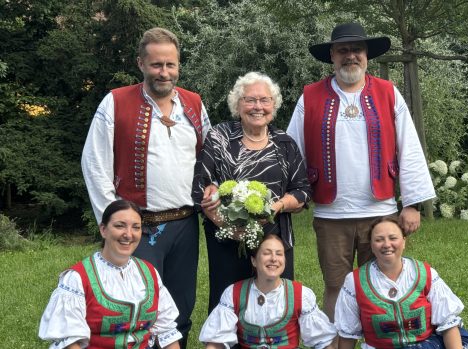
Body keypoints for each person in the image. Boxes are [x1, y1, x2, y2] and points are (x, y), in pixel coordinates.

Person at [286, 22, 436, 320]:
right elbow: (292, 150)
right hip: (331, 215)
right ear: (332, 55)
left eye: (357, 50)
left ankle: (379, 340)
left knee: (380, 284)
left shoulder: (388, 93)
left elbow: (409, 147)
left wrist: (412, 203)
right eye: (343, 50)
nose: (350, 56)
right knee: (335, 287)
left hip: (380, 211)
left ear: (367, 55)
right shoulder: (310, 97)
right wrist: (294, 194)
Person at [81, 27, 210, 347]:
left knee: (181, 306)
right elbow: (94, 164)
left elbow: (209, 157)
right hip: (140, 226)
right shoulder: (115, 102)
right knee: (136, 305)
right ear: (140, 63)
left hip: (184, 223)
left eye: (170, 64)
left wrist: (213, 190)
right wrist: (115, 222)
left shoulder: (193, 103)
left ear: (179, 65)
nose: (164, 72)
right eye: (156, 64)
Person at [192, 71, 311, 313]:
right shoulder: (220, 138)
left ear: (273, 105)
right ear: (238, 104)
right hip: (227, 241)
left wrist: (277, 206)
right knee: (228, 305)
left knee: (275, 307)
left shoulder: (284, 143)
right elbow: (200, 185)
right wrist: (223, 222)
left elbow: (302, 190)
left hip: (275, 241)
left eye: (265, 100)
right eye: (250, 100)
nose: (258, 107)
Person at [39, 200, 182, 349]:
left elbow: (167, 331)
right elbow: (69, 342)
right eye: (120, 226)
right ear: (103, 230)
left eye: (136, 227)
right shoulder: (77, 278)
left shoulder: (149, 273)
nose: (128, 234)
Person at [334, 216, 468, 349]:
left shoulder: (425, 274)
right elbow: (348, 333)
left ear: (404, 242)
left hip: (429, 344)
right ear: (372, 246)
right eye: (379, 239)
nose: (387, 244)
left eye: (393, 238)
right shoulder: (354, 282)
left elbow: (447, 323)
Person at [198, 234, 337, 349]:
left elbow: (322, 342)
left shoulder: (301, 295)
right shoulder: (233, 293)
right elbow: (215, 343)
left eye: (279, 254)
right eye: (267, 253)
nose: (274, 259)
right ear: (254, 260)